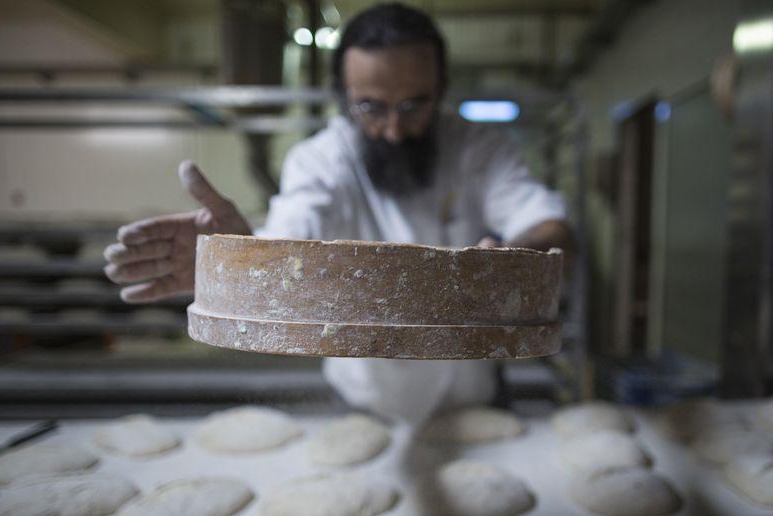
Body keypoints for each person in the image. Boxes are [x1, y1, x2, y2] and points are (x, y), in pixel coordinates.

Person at [103, 3, 575, 425]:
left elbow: (550, 227)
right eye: (372, 107)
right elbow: (295, 233)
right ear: (345, 97)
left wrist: (512, 261)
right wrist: (240, 262)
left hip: (473, 394)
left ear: (441, 90)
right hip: (366, 401)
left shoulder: (478, 148)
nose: (394, 129)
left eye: (415, 105)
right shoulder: (323, 161)